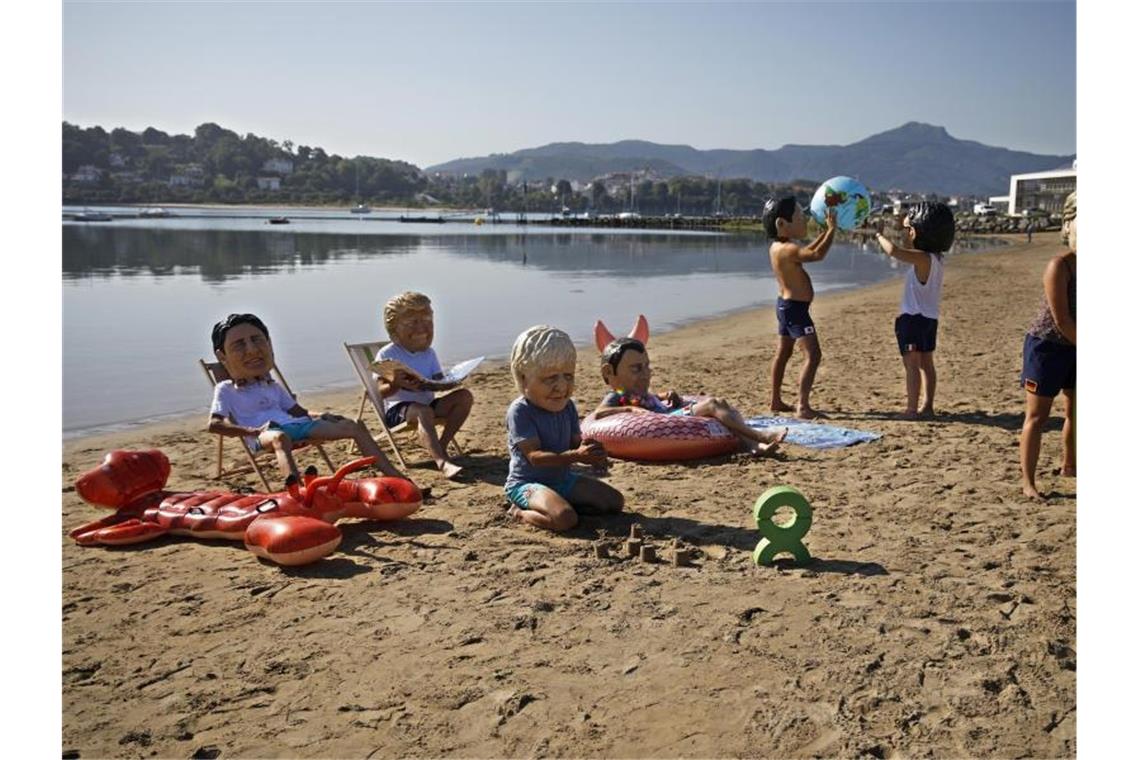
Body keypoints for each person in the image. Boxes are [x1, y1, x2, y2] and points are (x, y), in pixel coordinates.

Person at [208, 313, 406, 483]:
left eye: (257, 340)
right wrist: (251, 431)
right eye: (239, 345)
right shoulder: (225, 389)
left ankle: (395, 477)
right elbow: (215, 425)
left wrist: (323, 414)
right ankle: (295, 489)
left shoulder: (272, 385)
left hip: (298, 426)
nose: (251, 349)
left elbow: (299, 412)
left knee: (354, 425)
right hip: (264, 435)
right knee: (280, 437)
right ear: (222, 356)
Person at [505, 325, 624, 532]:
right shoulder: (520, 411)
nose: (561, 386)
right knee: (565, 519)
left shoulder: (567, 405)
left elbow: (575, 442)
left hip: (562, 479)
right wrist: (576, 456)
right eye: (550, 378)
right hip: (527, 484)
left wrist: (593, 452)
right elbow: (534, 457)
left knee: (614, 502)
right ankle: (519, 512)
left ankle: (558, 501)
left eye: (568, 376)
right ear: (523, 378)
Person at [593, 337, 786, 456]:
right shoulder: (618, 395)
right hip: (667, 422)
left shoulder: (639, 394)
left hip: (669, 413)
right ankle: (760, 435)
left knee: (722, 406)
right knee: (713, 405)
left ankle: (753, 445)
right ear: (610, 372)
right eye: (636, 368)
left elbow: (649, 398)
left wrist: (664, 395)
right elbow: (600, 412)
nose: (645, 374)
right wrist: (629, 409)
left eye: (646, 366)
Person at [375, 292, 474, 480]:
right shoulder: (388, 354)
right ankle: (441, 462)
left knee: (464, 396)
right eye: (413, 322)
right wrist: (395, 384)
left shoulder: (429, 353)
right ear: (394, 329)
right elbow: (380, 392)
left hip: (427, 405)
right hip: (399, 410)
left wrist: (449, 381)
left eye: (427, 320)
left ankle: (441, 446)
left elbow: (436, 380)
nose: (422, 328)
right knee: (423, 412)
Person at [872, 202, 957, 419]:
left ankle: (911, 409)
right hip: (930, 319)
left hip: (913, 319)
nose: (905, 233)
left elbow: (893, 251)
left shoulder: (922, 258)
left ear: (916, 232)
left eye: (907, 229)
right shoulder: (937, 259)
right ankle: (927, 405)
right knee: (927, 364)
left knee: (912, 364)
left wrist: (879, 235)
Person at [1019, 191, 1076, 501]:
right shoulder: (1061, 266)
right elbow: (1063, 319)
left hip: (1077, 344)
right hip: (1047, 345)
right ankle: (1029, 482)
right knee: (1038, 416)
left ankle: (1070, 466)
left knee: (1076, 410)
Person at [763, 197, 838, 418]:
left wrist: (825, 231)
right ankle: (803, 406)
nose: (803, 219)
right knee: (813, 355)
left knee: (784, 353)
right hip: (795, 310)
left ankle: (775, 400)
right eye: (798, 216)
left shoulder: (779, 247)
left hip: (786, 306)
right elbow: (816, 254)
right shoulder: (787, 249)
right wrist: (832, 230)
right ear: (781, 224)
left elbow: (809, 249)